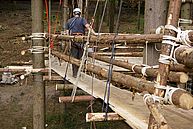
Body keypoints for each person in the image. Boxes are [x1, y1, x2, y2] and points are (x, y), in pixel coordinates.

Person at [65, 8, 95, 78]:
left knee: (74, 57)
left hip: (73, 40)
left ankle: (75, 73)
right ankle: (79, 72)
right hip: (81, 40)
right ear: (80, 13)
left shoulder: (69, 21)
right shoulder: (82, 20)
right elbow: (88, 27)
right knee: (80, 57)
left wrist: (69, 38)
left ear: (73, 13)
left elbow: (67, 32)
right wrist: (94, 33)